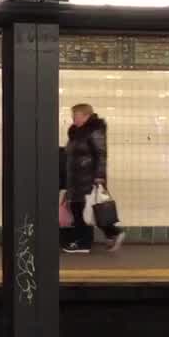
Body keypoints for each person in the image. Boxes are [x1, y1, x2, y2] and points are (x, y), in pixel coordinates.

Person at [62, 103, 124, 254]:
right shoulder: (77, 132)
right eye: (73, 116)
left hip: (88, 178)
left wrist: (99, 177)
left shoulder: (94, 130)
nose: (73, 119)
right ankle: (112, 233)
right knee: (86, 209)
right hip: (77, 178)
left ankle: (83, 243)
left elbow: (101, 154)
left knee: (81, 209)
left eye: (76, 116)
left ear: (86, 115)